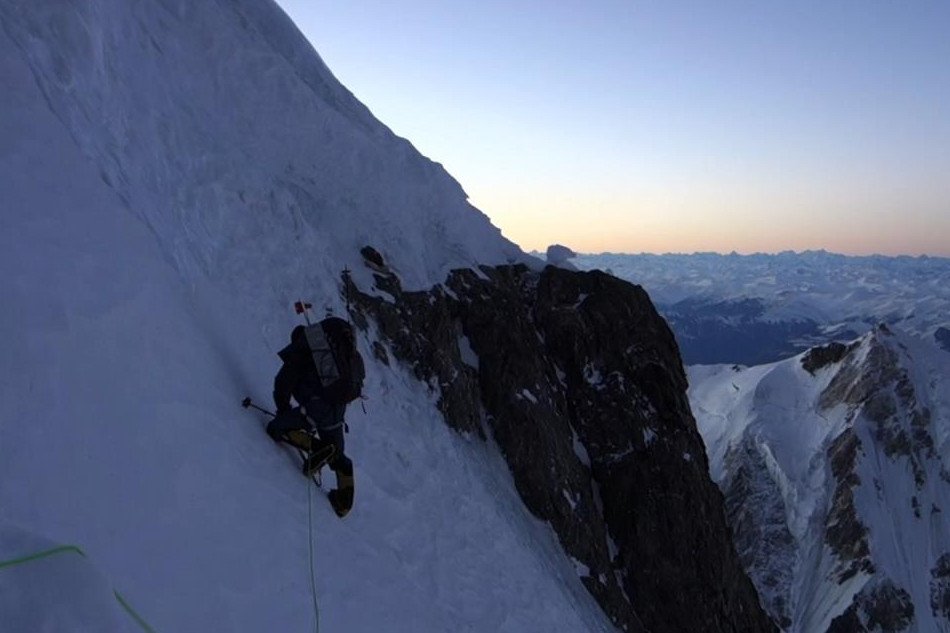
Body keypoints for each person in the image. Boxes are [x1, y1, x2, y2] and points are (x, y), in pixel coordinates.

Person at [267, 321, 360, 516]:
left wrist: (283, 411)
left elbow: (282, 385)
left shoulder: (301, 354)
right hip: (338, 410)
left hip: (314, 410)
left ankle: (318, 448)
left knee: (276, 428)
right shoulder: (339, 355)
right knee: (338, 455)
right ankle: (343, 504)